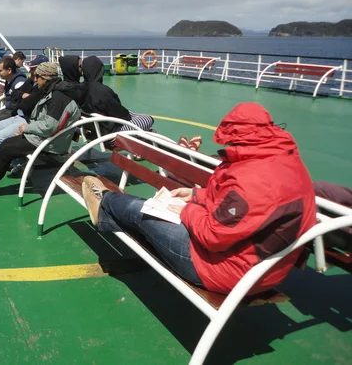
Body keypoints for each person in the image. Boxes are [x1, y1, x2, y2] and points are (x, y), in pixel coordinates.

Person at [81, 102, 316, 295]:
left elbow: (213, 236)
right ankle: (108, 215)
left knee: (144, 211)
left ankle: (106, 202)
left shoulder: (253, 178)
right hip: (261, 270)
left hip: (223, 271)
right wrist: (196, 195)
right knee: (153, 214)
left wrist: (185, 209)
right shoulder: (284, 163)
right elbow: (249, 208)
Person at [0, 62, 81, 195]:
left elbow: (49, 126)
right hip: (44, 136)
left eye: (37, 76)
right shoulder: (52, 92)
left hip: (51, 141)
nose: (34, 79)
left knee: (7, 150)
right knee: (6, 144)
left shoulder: (58, 98)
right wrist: (27, 129)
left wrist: (27, 128)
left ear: (44, 78)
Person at [0, 55, 48, 151]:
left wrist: (22, 98)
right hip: (18, 114)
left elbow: (26, 105)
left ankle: (11, 162)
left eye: (33, 69)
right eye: (30, 69)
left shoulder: (42, 88)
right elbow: (15, 95)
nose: (30, 72)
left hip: (27, 119)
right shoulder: (30, 81)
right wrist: (23, 96)